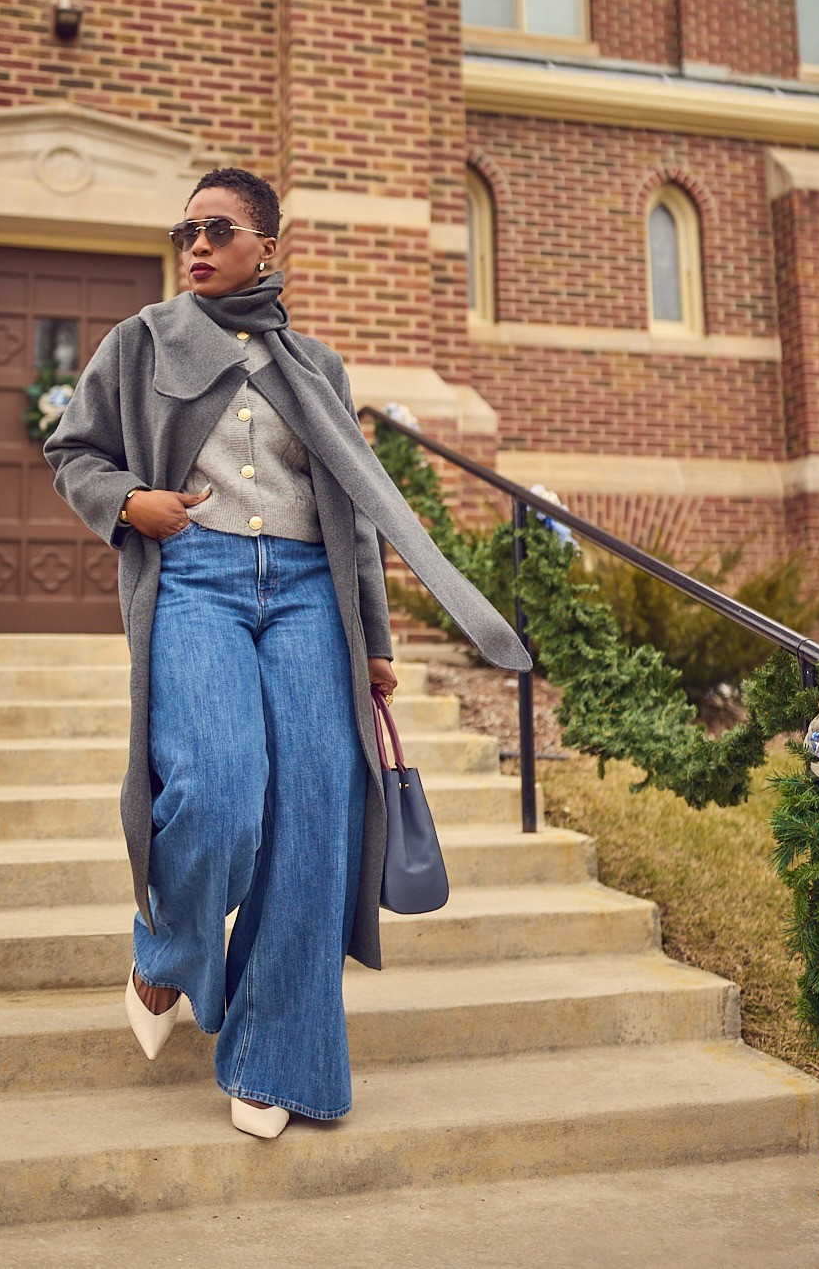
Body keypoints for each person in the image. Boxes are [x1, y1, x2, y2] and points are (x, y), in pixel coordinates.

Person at [44, 167, 530, 1140]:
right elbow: (76, 453)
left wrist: (376, 641)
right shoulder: (142, 344)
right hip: (198, 581)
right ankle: (169, 949)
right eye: (186, 228)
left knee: (314, 815)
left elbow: (352, 514)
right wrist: (126, 503)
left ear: (269, 243)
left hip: (311, 591)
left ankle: (276, 1053)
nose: (196, 244)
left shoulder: (318, 366)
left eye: (217, 228)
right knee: (220, 790)